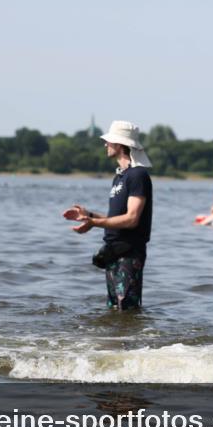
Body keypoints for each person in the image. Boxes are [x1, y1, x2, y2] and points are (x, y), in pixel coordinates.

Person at [62, 120, 153, 310]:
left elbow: (131, 219)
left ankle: (131, 331)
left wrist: (94, 223)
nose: (105, 144)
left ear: (119, 144)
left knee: (127, 309)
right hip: (113, 251)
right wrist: (89, 215)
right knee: (114, 309)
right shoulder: (119, 177)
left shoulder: (138, 175)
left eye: (109, 141)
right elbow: (116, 218)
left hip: (130, 253)